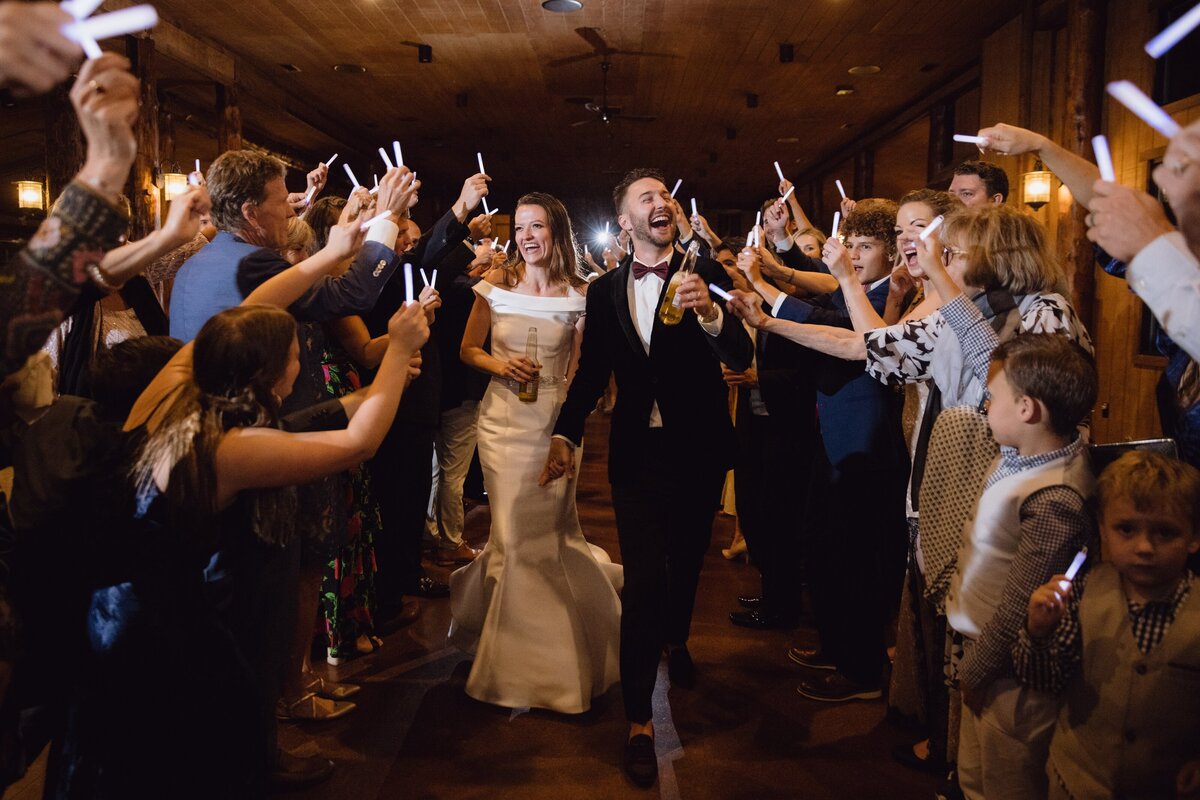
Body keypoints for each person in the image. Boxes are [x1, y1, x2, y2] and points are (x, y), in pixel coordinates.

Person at [541, 169, 752, 788]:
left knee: (686, 560)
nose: (661, 203)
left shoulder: (702, 272)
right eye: (647, 198)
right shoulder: (605, 293)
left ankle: (679, 639)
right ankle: (638, 720)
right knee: (642, 576)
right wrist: (565, 431)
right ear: (626, 222)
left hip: (699, 449)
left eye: (666, 196)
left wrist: (712, 312)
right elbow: (590, 375)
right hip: (636, 455)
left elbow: (739, 354)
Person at [451, 192, 622, 715]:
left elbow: (580, 370)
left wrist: (567, 433)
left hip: (552, 423)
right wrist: (499, 367)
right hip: (501, 425)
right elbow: (468, 350)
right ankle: (510, 653)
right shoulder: (493, 288)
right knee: (509, 533)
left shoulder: (582, 296)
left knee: (546, 535)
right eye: (520, 227)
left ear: (557, 232)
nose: (526, 236)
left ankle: (550, 656)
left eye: (537, 226)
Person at [947, 333, 1097, 800]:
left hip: (1011, 676)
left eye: (992, 397)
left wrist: (976, 673)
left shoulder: (1055, 498)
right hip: (985, 657)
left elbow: (1017, 604)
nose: (984, 405)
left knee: (1005, 780)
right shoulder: (1021, 456)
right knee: (973, 777)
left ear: (1028, 409)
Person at [1015, 451, 1200, 800]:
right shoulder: (1084, 589)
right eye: (1126, 529)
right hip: (1075, 782)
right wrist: (1038, 633)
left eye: (1165, 532)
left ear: (1194, 536)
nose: (1145, 547)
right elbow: (1044, 680)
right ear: (1102, 529)